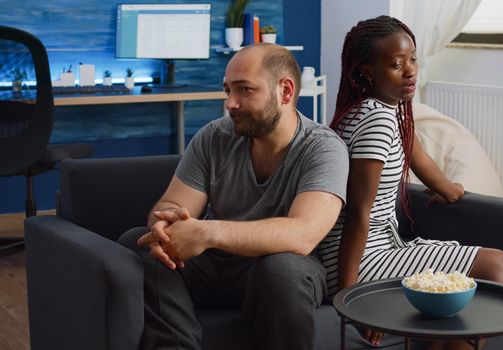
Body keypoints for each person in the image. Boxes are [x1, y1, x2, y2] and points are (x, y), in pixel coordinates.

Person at [118, 44, 349, 350]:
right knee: (141, 243)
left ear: (286, 91)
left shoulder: (323, 148)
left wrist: (208, 232)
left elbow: (303, 233)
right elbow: (171, 205)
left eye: (244, 90)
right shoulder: (214, 136)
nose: (231, 103)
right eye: (227, 90)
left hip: (276, 269)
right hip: (213, 268)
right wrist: (165, 226)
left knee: (284, 269)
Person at [318, 16, 503, 349]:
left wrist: (451, 190)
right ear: (367, 71)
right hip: (359, 259)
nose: (410, 70)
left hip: (378, 248)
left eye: (413, 59)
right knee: (500, 269)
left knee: (493, 271)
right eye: (397, 64)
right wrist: (350, 297)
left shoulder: (377, 110)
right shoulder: (378, 120)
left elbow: (417, 155)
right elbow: (357, 213)